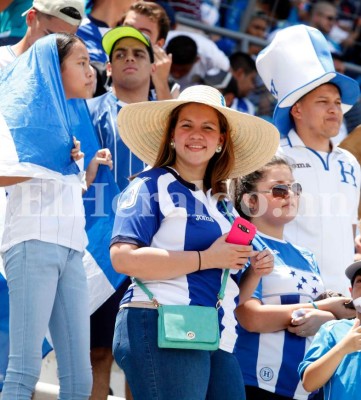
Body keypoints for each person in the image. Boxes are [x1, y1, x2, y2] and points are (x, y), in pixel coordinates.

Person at [109, 84, 280, 399]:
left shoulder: (222, 204)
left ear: (220, 140)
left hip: (215, 335)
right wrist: (207, 258)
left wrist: (254, 269)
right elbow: (123, 258)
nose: (196, 134)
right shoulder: (151, 183)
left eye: (208, 127)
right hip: (161, 321)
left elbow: (228, 290)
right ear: (172, 134)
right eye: (186, 125)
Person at [0, 33, 111, 399]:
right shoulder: (16, 113)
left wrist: (83, 167)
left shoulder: (68, 122)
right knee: (23, 367)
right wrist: (52, 163)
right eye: (80, 63)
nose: (90, 71)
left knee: (79, 378)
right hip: (32, 242)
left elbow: (63, 186)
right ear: (53, 68)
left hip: (71, 249)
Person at [231, 156, 355, 400]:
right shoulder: (244, 245)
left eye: (295, 187)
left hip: (305, 389)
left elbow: (320, 315)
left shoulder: (306, 255)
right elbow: (250, 317)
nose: (290, 194)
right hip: (255, 383)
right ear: (251, 202)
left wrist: (327, 316)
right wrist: (323, 307)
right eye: (279, 189)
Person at [256, 24, 361, 295]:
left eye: (337, 102)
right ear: (298, 110)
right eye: (322, 101)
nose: (334, 109)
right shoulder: (271, 158)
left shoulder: (350, 162)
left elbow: (350, 228)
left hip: (342, 299)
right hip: (287, 295)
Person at [86, 25, 154, 400]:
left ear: (153, 64)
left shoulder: (169, 120)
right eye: (120, 54)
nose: (129, 58)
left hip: (157, 250)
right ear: (109, 67)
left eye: (138, 53)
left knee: (141, 359)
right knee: (98, 352)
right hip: (102, 248)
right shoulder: (89, 110)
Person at [299, 260, 361, 400]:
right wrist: (343, 348)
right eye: (360, 281)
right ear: (351, 292)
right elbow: (309, 383)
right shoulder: (332, 330)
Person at [0, 0, 84, 67]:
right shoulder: (2, 61)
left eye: (66, 42)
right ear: (30, 18)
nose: (55, 47)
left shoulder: (67, 75)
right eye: (49, 36)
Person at [120, 1, 174, 100]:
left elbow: (169, 116)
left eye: (143, 33)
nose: (132, 35)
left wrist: (161, 83)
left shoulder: (170, 88)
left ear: (159, 44)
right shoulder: (97, 72)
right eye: (128, 28)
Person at [165, 30, 230, 91]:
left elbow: (228, 73)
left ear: (196, 60)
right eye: (172, 68)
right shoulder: (159, 45)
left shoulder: (211, 54)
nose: (176, 75)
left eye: (182, 70)